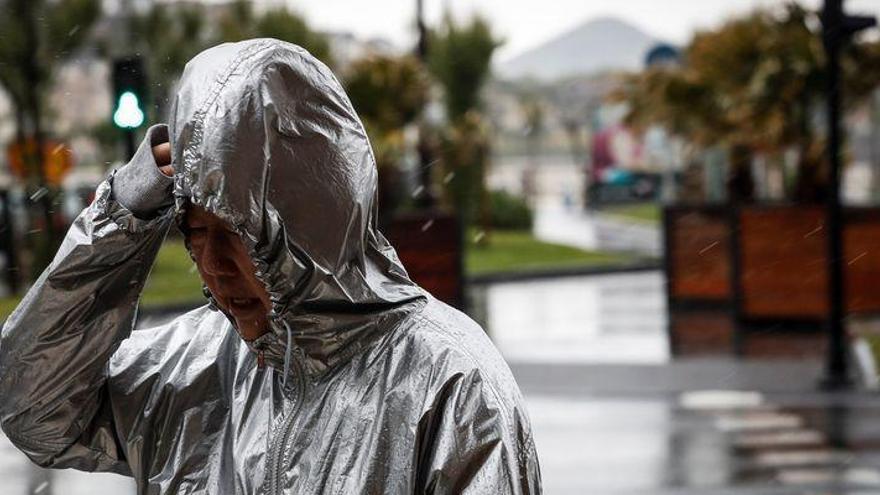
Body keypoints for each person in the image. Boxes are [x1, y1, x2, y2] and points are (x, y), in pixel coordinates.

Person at [0, 39, 541, 494]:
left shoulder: (451, 383)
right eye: (194, 231)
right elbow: (32, 409)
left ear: (313, 223)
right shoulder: (192, 365)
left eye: (240, 232)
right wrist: (123, 212)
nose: (213, 265)